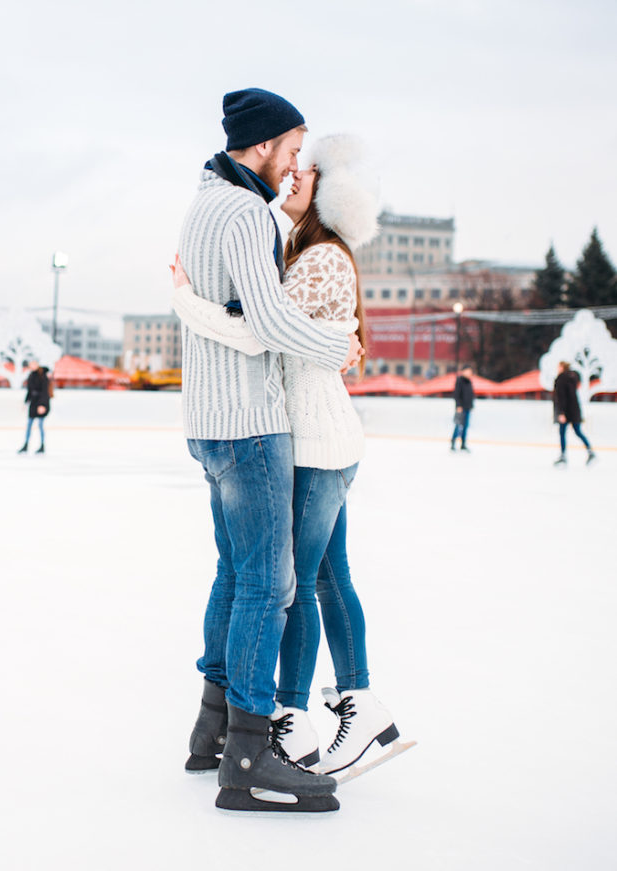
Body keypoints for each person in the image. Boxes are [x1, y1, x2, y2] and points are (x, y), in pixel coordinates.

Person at [173, 134, 405, 787]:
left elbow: (259, 329)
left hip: (316, 441)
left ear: (328, 192)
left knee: (299, 584)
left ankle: (295, 717)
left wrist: (187, 299)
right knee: (326, 578)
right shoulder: (300, 249)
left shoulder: (323, 258)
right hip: (314, 440)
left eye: (307, 170)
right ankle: (361, 706)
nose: (293, 173)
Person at [553, 360, 597, 466]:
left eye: (559, 366)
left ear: (563, 367)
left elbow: (561, 397)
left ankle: (563, 456)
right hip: (575, 410)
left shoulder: (561, 379)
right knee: (578, 431)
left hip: (566, 411)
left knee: (563, 433)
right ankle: (590, 452)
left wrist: (561, 412)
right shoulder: (572, 378)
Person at [18, 359, 52, 454]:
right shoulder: (31, 376)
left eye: (34, 363)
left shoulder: (43, 376)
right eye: (31, 364)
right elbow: (29, 390)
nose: (32, 365)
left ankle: (42, 445)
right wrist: (26, 402)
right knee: (29, 425)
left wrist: (42, 405)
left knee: (40, 425)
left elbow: (45, 392)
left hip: (41, 403)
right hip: (33, 404)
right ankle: (26, 444)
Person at [451, 365, 474, 452]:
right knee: (458, 425)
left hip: (468, 407)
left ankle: (463, 444)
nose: (469, 373)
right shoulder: (459, 381)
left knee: (465, 426)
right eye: (468, 371)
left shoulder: (469, 382)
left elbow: (470, 395)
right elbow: (456, 394)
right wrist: (458, 406)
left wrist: (471, 405)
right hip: (461, 408)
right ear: (463, 371)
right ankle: (453, 443)